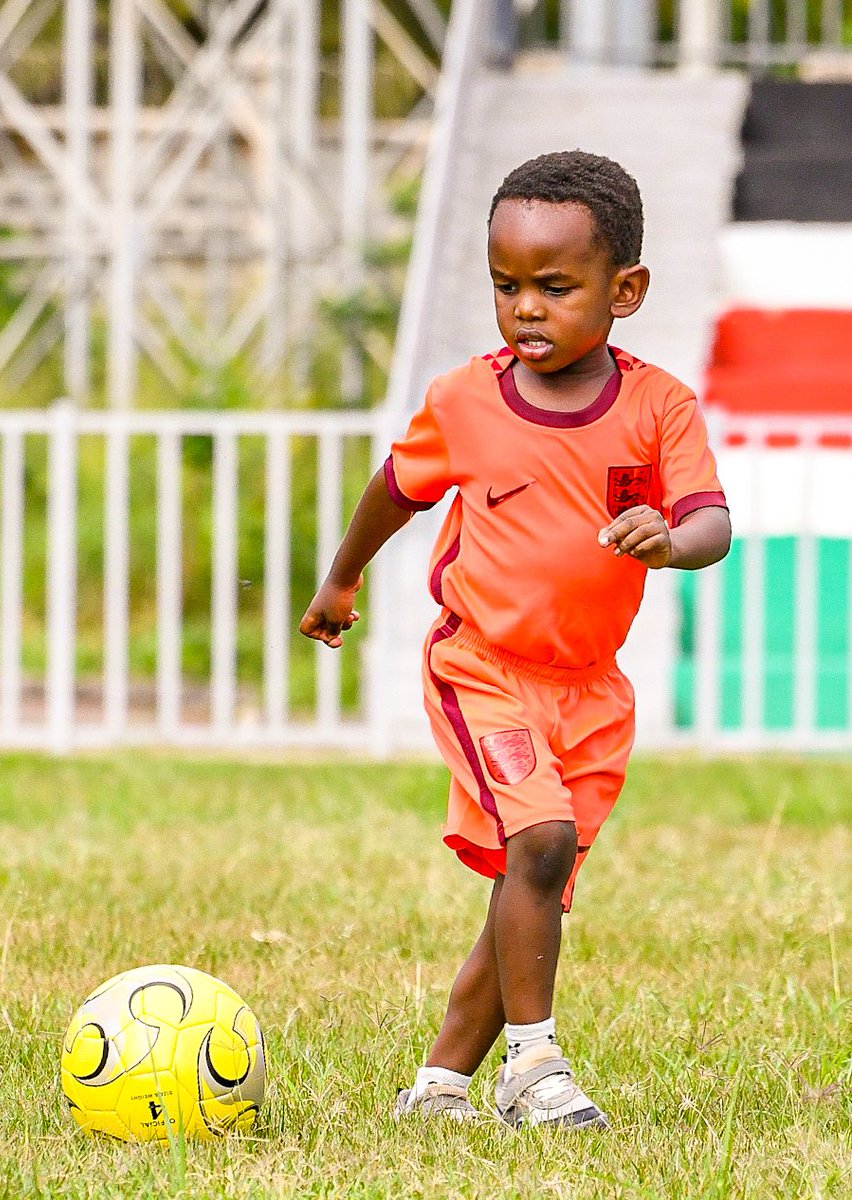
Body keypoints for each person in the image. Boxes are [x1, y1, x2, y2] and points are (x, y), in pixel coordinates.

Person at [299, 150, 731, 1130]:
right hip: (480, 667)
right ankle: (532, 1071)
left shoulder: (657, 407)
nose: (525, 307)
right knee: (536, 843)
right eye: (505, 286)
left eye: (553, 285)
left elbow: (711, 522)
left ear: (623, 290)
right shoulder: (464, 401)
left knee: (531, 891)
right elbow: (393, 489)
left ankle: (438, 1089)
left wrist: (669, 541)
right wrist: (338, 576)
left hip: (589, 691)